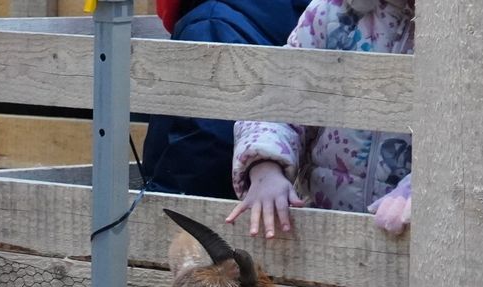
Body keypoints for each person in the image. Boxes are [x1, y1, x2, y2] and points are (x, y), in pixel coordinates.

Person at [226, 0, 414, 238]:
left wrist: (427, 188)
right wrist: (265, 166)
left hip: (412, 243)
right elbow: (280, 93)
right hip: (319, 230)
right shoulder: (330, 13)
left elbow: (471, 138)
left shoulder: (467, 36)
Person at [140, 0, 311, 198]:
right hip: (264, 200)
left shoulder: (209, 24)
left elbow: (205, 142)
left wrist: (166, 202)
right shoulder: (281, 14)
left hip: (210, 214)